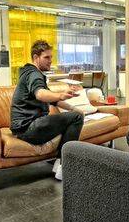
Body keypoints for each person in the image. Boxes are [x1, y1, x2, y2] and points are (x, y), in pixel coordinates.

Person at [10, 40, 84, 181]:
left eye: (51, 57)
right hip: (28, 128)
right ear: (36, 57)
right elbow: (40, 94)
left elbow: (51, 98)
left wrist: (74, 108)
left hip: (23, 128)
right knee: (76, 118)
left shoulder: (30, 73)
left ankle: (59, 163)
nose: (50, 61)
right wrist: (61, 95)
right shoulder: (33, 74)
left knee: (75, 116)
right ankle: (63, 165)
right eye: (46, 57)